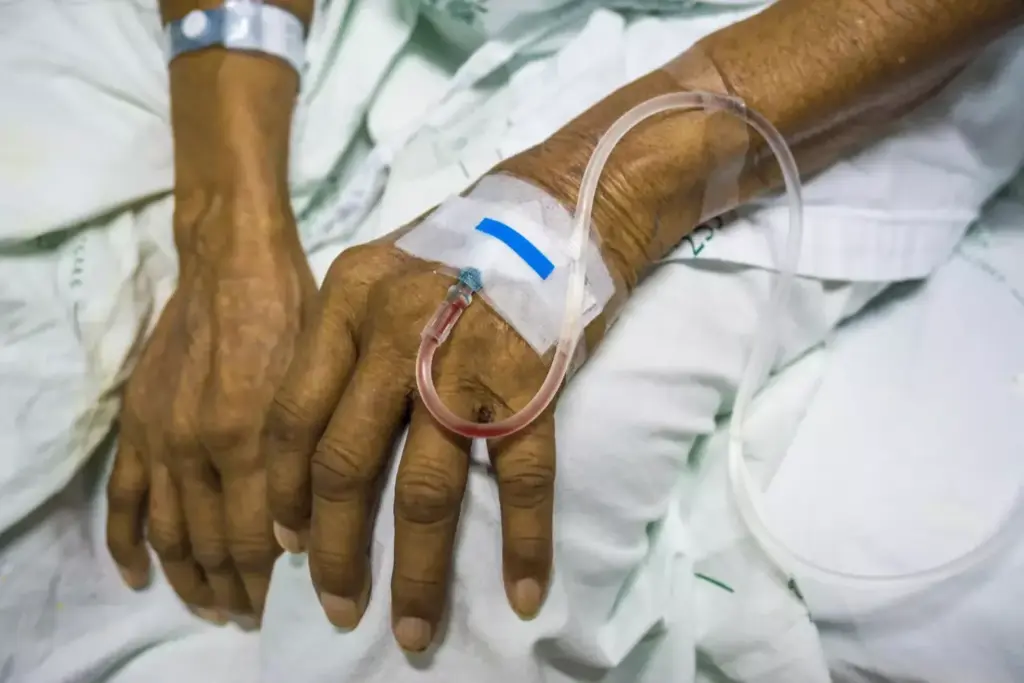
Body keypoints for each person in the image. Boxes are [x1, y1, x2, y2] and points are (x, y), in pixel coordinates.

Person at [95, 0, 1024, 676]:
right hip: (428, 40)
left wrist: (599, 193)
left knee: (450, 469)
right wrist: (227, 232)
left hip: (811, 55)